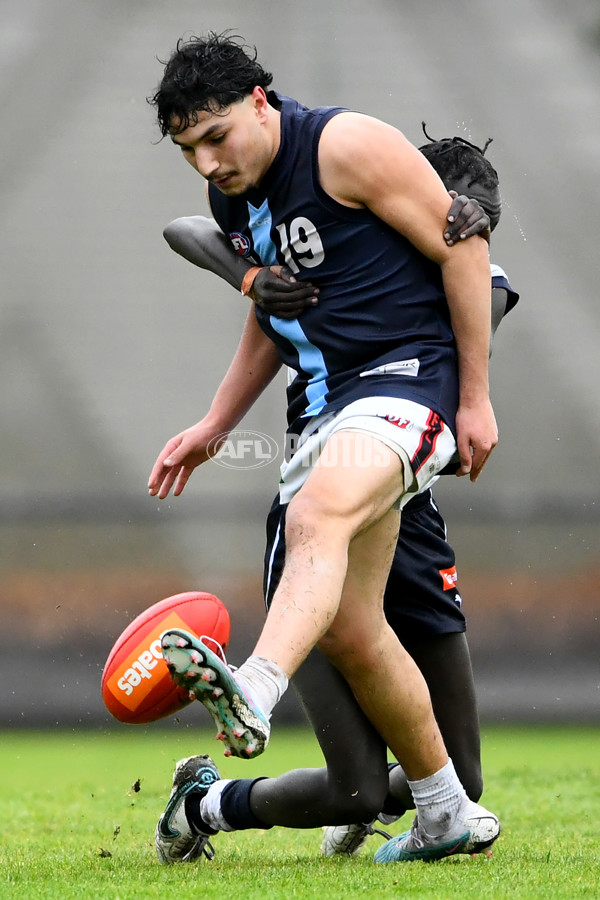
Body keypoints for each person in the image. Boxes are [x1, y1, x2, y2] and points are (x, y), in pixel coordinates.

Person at [147, 31, 500, 863]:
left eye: (216, 136)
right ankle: (443, 814)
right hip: (328, 417)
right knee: (348, 632)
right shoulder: (241, 194)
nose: (206, 162)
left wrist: (477, 400)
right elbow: (272, 309)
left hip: (402, 389)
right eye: (187, 148)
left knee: (317, 515)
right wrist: (215, 425)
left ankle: (254, 691)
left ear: (262, 102)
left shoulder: (344, 144)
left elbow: (467, 250)